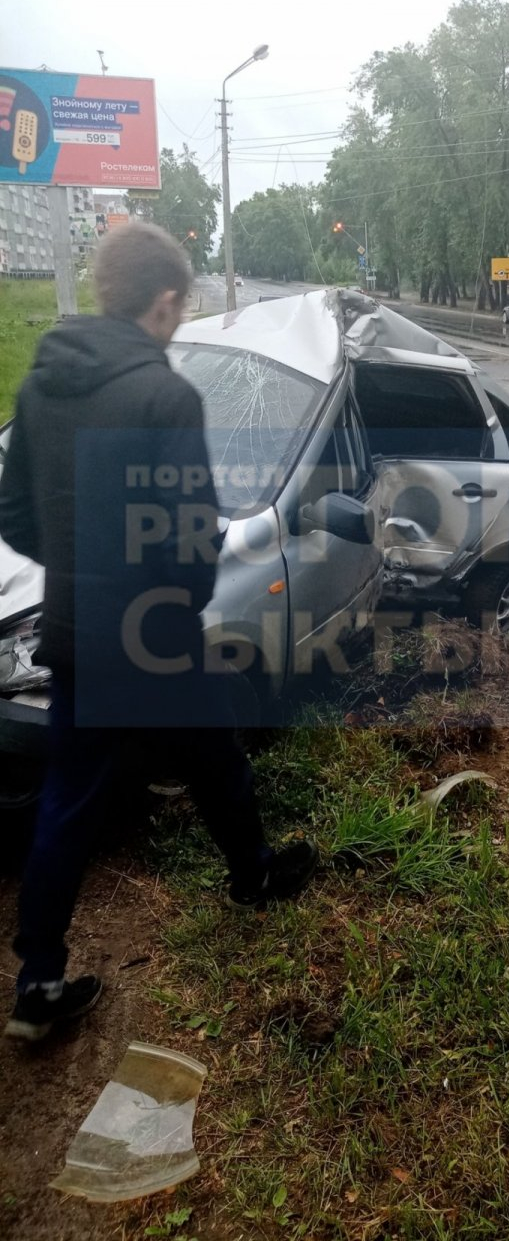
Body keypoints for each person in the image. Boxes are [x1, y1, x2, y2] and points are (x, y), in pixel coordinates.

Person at [0, 222, 317, 1042]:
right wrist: (181, 602)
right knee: (217, 760)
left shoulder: (40, 384)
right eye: (181, 307)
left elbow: (15, 515)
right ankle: (253, 877)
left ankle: (38, 982)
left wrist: (80, 569)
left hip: (74, 633)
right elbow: (190, 540)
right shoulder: (166, 396)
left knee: (66, 803)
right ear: (165, 301)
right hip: (156, 636)